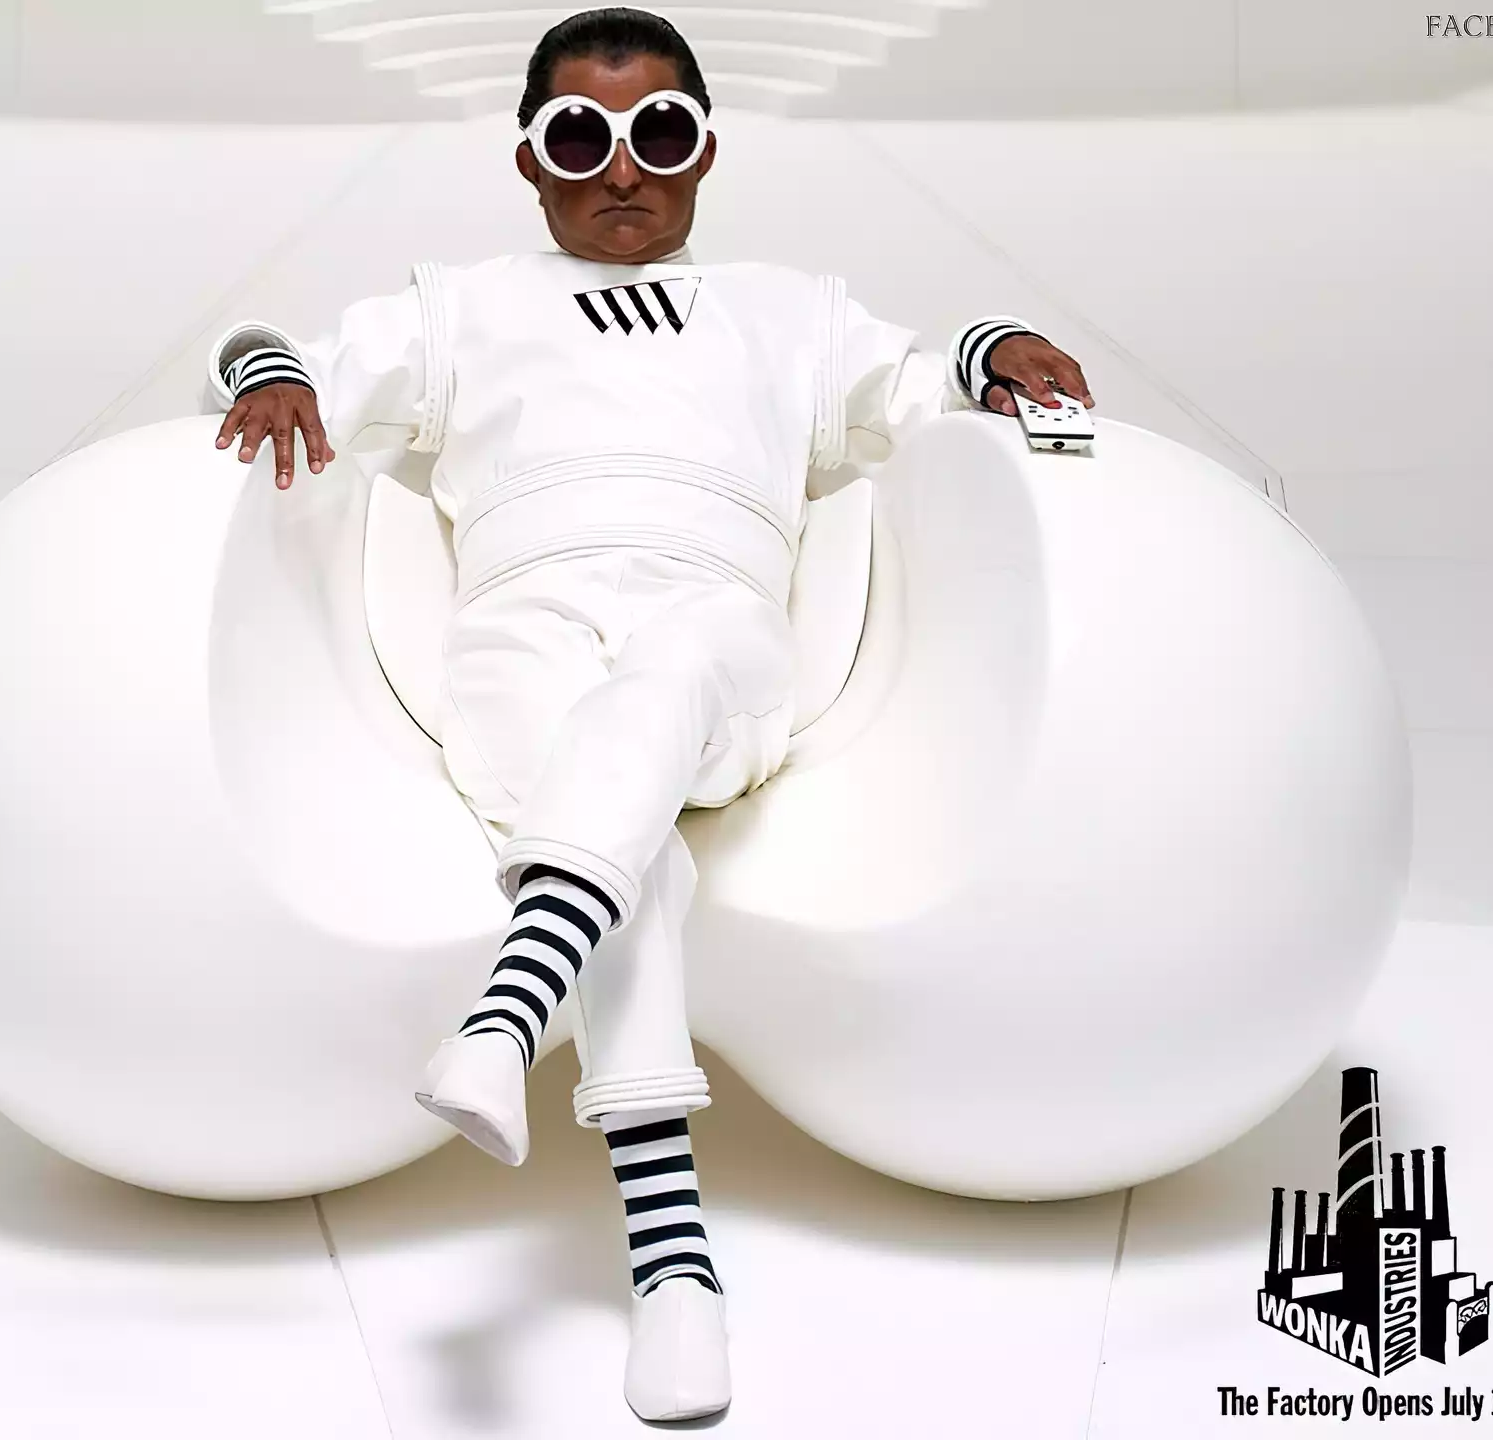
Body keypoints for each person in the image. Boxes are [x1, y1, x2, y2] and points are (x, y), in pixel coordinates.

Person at [209, 8, 1092, 1421]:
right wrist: (270, 375)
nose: (622, 170)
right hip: (520, 626)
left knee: (670, 678)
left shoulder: (792, 312)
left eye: (659, 133)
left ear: (705, 149)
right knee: (630, 844)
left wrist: (1001, 349)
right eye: (580, 138)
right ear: (529, 159)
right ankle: (673, 1272)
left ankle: (510, 1019)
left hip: (719, 627)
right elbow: (279, 353)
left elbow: (924, 383)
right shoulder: (457, 306)